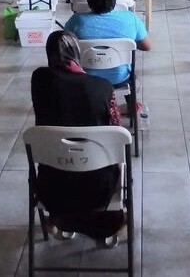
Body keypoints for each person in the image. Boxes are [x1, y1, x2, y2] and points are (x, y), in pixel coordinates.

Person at [30, 30, 123, 241]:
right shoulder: (102, 87)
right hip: (100, 189)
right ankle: (102, 223)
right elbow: (115, 128)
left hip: (51, 187)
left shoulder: (40, 80)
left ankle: (60, 220)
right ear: (77, 54)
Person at [65, 0, 151, 87]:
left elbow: (67, 46)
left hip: (86, 80)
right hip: (120, 78)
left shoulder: (76, 21)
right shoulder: (130, 18)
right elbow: (147, 46)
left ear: (88, 1)